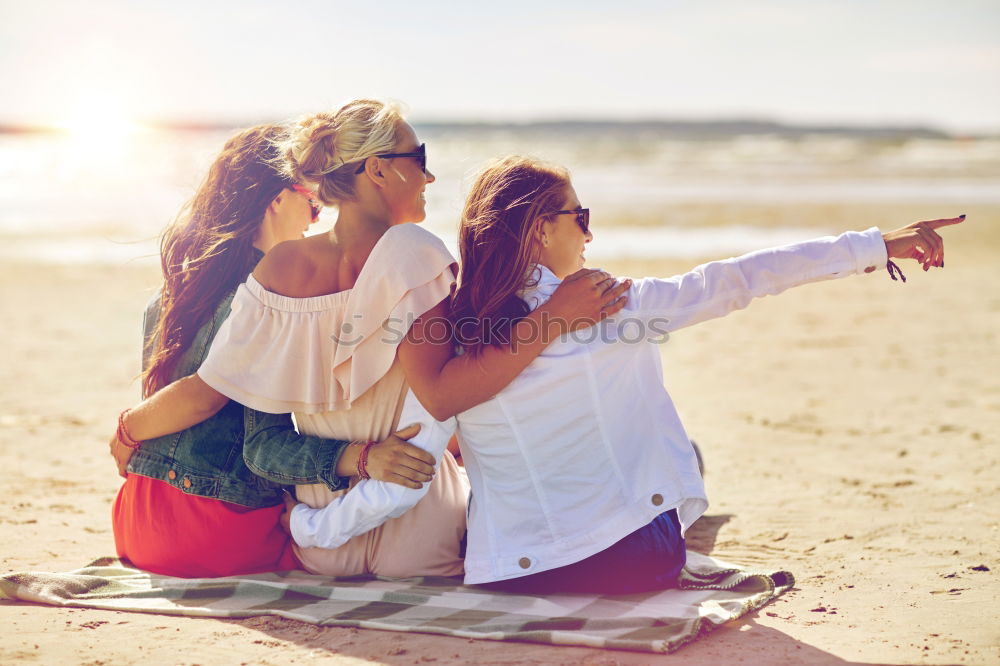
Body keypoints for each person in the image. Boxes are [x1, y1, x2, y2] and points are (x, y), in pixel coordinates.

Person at [285, 155, 964, 595]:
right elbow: (738, 280)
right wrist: (876, 246)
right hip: (631, 563)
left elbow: (428, 440)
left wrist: (314, 531)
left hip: (512, 578)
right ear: (536, 231)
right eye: (579, 217)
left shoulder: (451, 326)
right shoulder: (610, 304)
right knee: (678, 457)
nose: (589, 233)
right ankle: (691, 546)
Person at [142, 100, 630, 577]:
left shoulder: (277, 270)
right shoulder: (416, 254)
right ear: (377, 170)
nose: (429, 177)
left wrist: (353, 462)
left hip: (323, 547)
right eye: (418, 160)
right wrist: (554, 316)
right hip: (420, 534)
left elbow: (261, 448)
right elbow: (449, 395)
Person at [110, 124, 442, 577]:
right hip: (218, 533)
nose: (315, 219)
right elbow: (242, 429)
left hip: (137, 523)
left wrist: (129, 430)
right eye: (311, 202)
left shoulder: (173, 296)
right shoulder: (267, 301)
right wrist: (361, 457)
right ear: (276, 200)